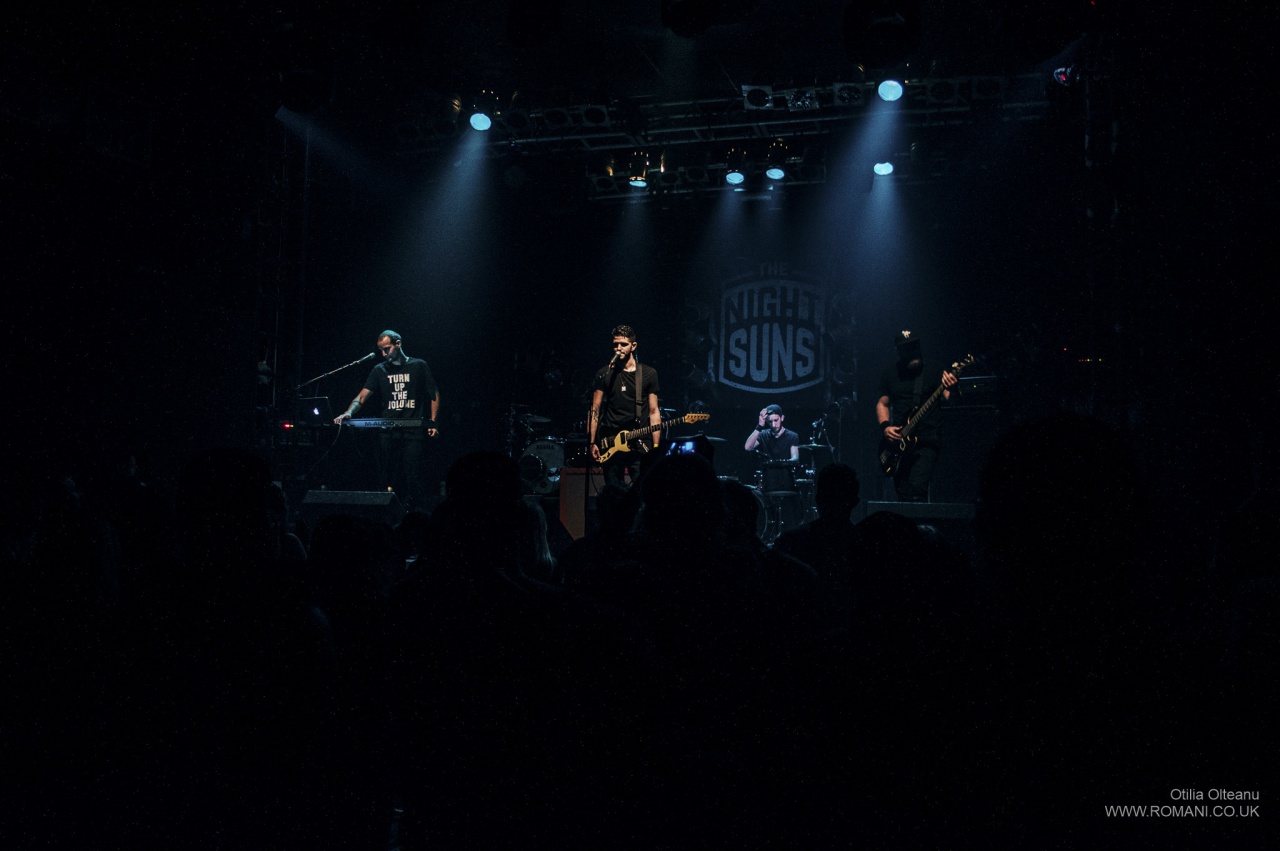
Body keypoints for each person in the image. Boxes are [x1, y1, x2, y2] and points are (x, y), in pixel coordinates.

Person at [334, 329, 440, 509]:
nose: (384, 354)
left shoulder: (419, 365)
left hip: (413, 430)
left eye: (387, 349)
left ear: (398, 344)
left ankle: (416, 512)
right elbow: (362, 397)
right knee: (386, 476)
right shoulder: (379, 370)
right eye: (381, 350)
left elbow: (434, 393)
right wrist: (348, 412)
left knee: (412, 475)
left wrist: (433, 421)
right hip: (387, 432)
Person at [875, 329, 957, 502]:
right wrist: (885, 427)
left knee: (916, 490)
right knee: (902, 492)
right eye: (907, 348)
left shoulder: (935, 369)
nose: (912, 351)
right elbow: (882, 403)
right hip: (900, 443)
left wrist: (952, 388)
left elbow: (949, 399)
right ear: (898, 351)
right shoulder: (890, 374)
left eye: (914, 346)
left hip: (927, 439)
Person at [587, 324, 661, 489]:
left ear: (633, 346)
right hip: (610, 441)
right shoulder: (604, 374)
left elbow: (654, 411)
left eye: (623, 344)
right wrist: (592, 443)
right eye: (615, 344)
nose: (618, 348)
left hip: (639, 440)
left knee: (642, 489)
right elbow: (594, 409)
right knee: (613, 490)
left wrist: (656, 446)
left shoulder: (648, 374)